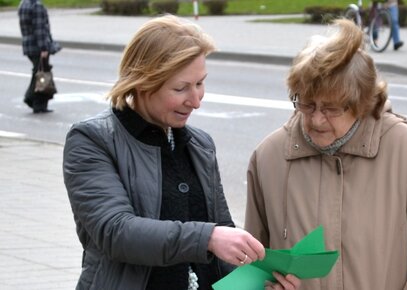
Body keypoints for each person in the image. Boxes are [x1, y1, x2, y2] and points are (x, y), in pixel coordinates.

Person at [63, 15, 300, 290]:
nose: (196, 100)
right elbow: (116, 231)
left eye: (200, 83)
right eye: (181, 88)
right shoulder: (92, 140)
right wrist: (208, 238)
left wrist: (259, 281)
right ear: (143, 81)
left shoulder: (200, 145)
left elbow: (223, 240)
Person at [244, 18, 407, 290]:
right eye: (306, 104)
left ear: (361, 103)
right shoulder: (269, 158)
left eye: (331, 108)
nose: (316, 119)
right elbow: (253, 266)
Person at [18, 0, 60, 113]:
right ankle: (35, 101)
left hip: (29, 45)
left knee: (38, 73)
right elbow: (40, 29)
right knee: (42, 75)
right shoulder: (37, 6)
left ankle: (36, 102)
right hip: (38, 47)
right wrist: (44, 48)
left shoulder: (24, 3)